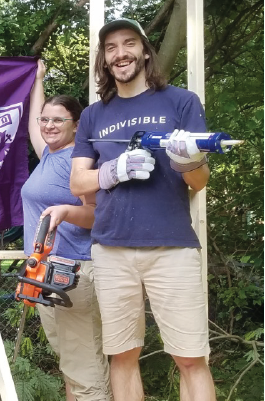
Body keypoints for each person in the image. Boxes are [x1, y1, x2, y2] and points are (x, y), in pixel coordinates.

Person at [69, 19, 215, 401]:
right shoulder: (92, 116)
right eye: (111, 47)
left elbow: (199, 183)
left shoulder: (181, 101)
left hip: (172, 246)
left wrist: (188, 160)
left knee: (191, 358)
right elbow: (77, 183)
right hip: (111, 249)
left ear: (145, 51)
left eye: (129, 43)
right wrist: (113, 171)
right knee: (123, 355)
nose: (121, 53)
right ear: (104, 59)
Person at [21, 59, 111, 401]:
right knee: (70, 364)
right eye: (46, 119)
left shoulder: (80, 161)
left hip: (73, 272)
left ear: (77, 125)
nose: (48, 125)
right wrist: (38, 80)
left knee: (85, 368)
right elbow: (33, 124)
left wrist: (66, 212)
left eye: (59, 119)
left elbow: (95, 214)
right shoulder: (49, 156)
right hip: (45, 272)